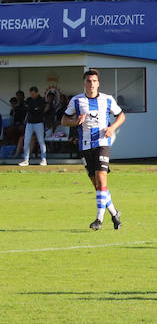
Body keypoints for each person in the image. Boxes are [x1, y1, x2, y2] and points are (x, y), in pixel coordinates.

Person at [61, 69, 126, 231]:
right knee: (98, 186)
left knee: (102, 179)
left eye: (94, 81)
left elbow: (121, 116)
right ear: (84, 83)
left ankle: (99, 219)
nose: (91, 84)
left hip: (102, 143)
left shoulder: (107, 99)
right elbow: (63, 120)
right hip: (85, 145)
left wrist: (112, 127)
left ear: (98, 83)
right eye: (88, 81)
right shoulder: (76, 101)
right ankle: (114, 213)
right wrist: (76, 121)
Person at [17, 86, 47, 167]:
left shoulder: (41, 100)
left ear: (37, 93)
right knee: (26, 141)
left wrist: (31, 109)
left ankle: (44, 159)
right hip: (29, 123)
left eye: (33, 94)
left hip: (39, 123)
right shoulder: (28, 100)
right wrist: (33, 109)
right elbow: (26, 109)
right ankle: (26, 160)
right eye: (31, 94)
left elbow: (39, 110)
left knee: (41, 141)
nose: (32, 95)